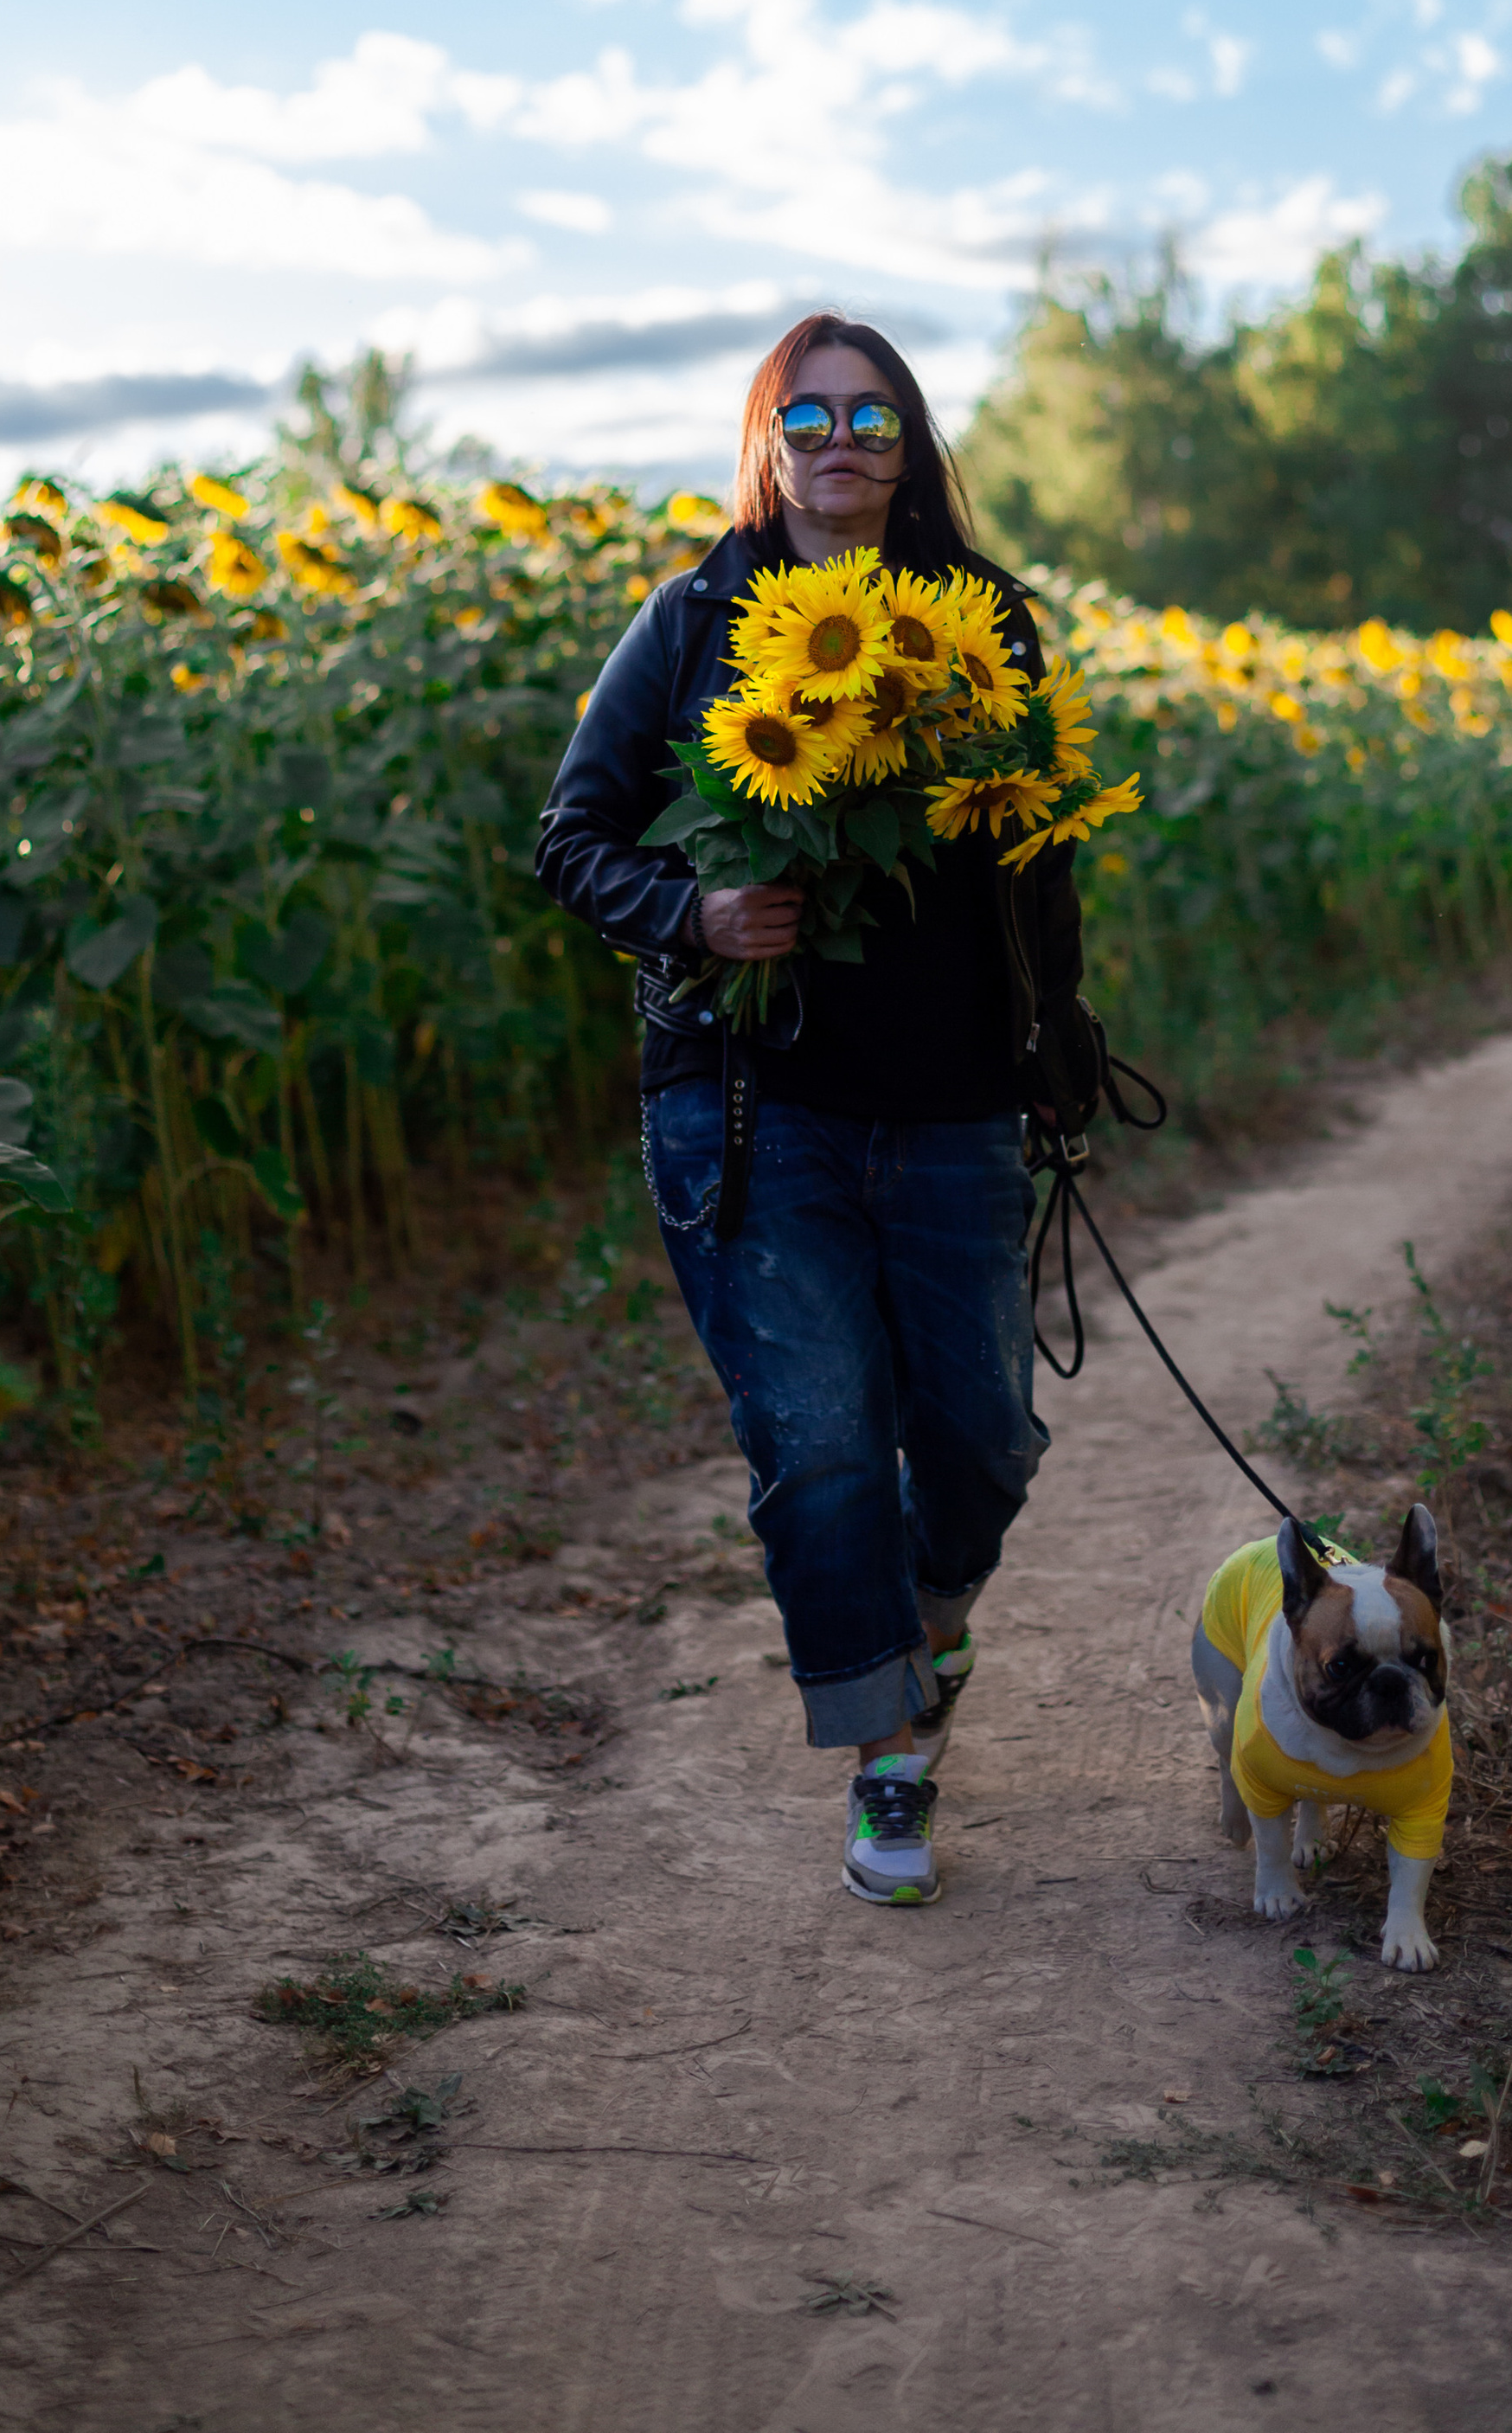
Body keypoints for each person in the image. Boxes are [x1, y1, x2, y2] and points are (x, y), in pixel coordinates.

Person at [534, 312, 1089, 1908]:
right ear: (768, 438)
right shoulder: (695, 617)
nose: (843, 438)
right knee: (821, 1439)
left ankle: (930, 1616)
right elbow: (573, 837)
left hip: (956, 1103)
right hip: (749, 1105)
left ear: (911, 447)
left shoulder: (981, 621)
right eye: (811, 412)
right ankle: (888, 1755)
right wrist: (692, 915)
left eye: (877, 415)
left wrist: (1057, 1049)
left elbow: (1040, 851)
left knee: (979, 1436)